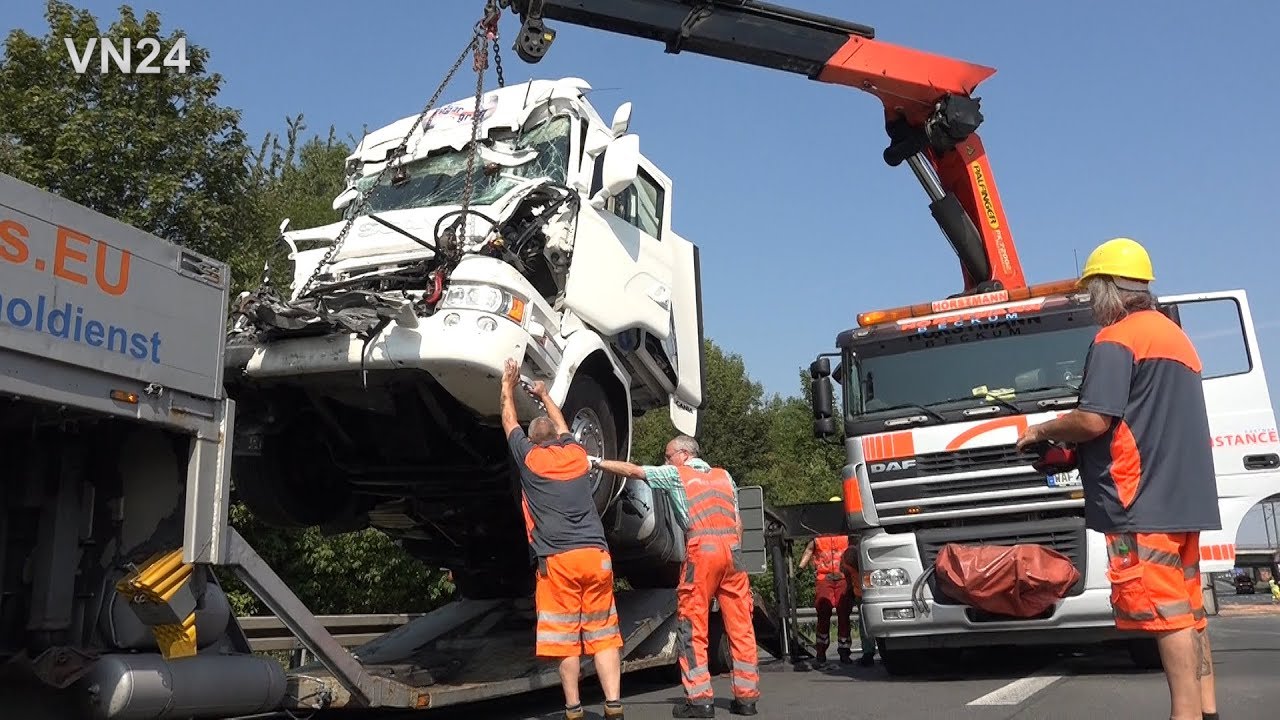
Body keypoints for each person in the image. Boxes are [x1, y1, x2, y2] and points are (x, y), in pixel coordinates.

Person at [1014, 237, 1221, 720]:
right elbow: (1145, 421)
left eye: (1092, 291)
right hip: (1184, 499)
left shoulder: (1116, 339)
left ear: (1108, 288)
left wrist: (1041, 430)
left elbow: (1093, 420)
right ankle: (1207, 710)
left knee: (1165, 614)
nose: (1090, 302)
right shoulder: (1178, 340)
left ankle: (1184, 716)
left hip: (1139, 500)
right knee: (1190, 611)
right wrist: (1073, 456)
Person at [595, 437, 760, 718]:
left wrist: (597, 462)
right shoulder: (724, 476)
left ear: (683, 455)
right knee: (741, 626)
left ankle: (700, 701)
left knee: (693, 627)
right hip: (733, 553)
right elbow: (739, 523)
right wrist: (736, 558)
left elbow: (633, 471)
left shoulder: (676, 474)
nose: (665, 460)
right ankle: (746, 700)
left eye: (668, 455)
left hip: (702, 553)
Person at [500, 359, 624, 720]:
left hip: (558, 562)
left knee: (566, 641)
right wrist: (543, 394)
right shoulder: (576, 455)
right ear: (557, 440)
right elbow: (564, 425)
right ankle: (613, 705)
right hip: (596, 556)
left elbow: (509, 421)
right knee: (603, 635)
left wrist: (507, 385)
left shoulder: (530, 460)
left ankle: (573, 708)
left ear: (533, 442)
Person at [798, 504, 854, 666]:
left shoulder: (846, 532)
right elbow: (809, 550)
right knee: (823, 612)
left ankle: (844, 651)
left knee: (844, 613)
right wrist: (800, 568)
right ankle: (821, 651)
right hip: (824, 578)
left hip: (843, 577)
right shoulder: (818, 535)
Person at [839, 534, 876, 667]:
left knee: (865, 625)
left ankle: (868, 653)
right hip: (872, 589)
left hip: (861, 593)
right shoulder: (866, 550)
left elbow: (846, 575)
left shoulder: (848, 554)